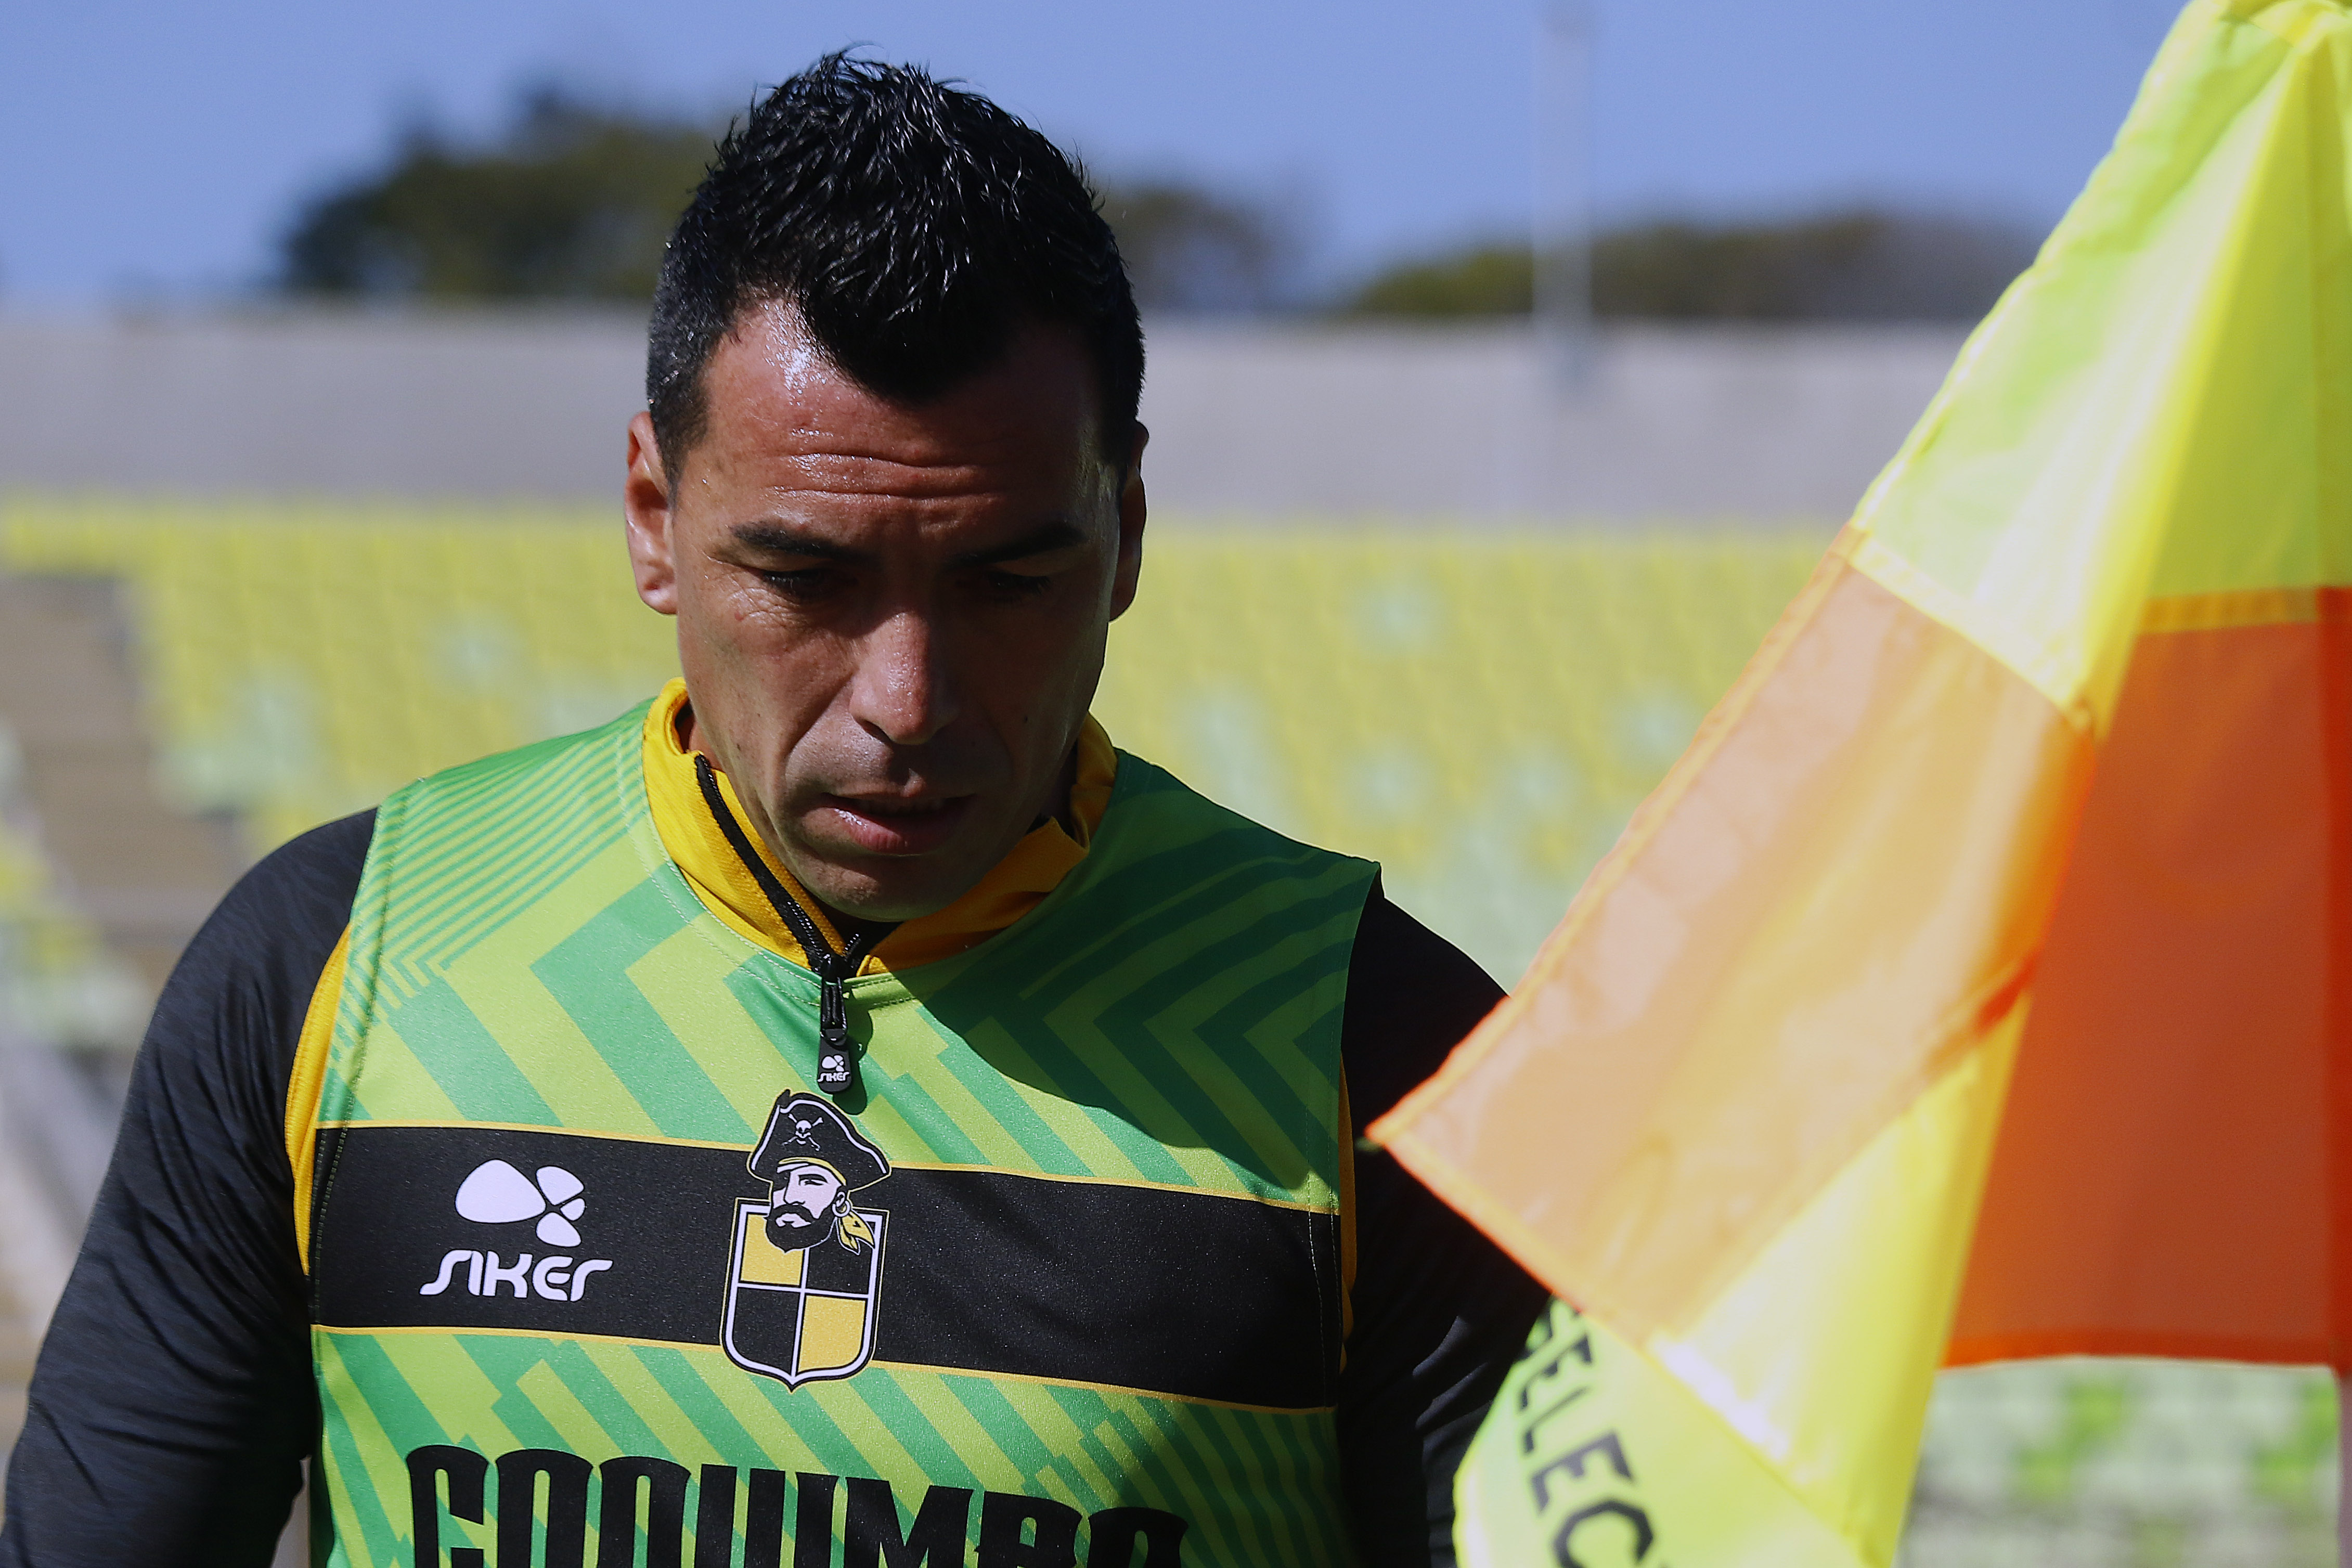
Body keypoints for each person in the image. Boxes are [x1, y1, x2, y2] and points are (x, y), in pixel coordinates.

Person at [0, 56, 1544, 1567]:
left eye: (1007, 579)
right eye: (806, 579)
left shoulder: (1374, 1044)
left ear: (1126, 532)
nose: (906, 696)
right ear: (653, 517)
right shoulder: (338, 966)